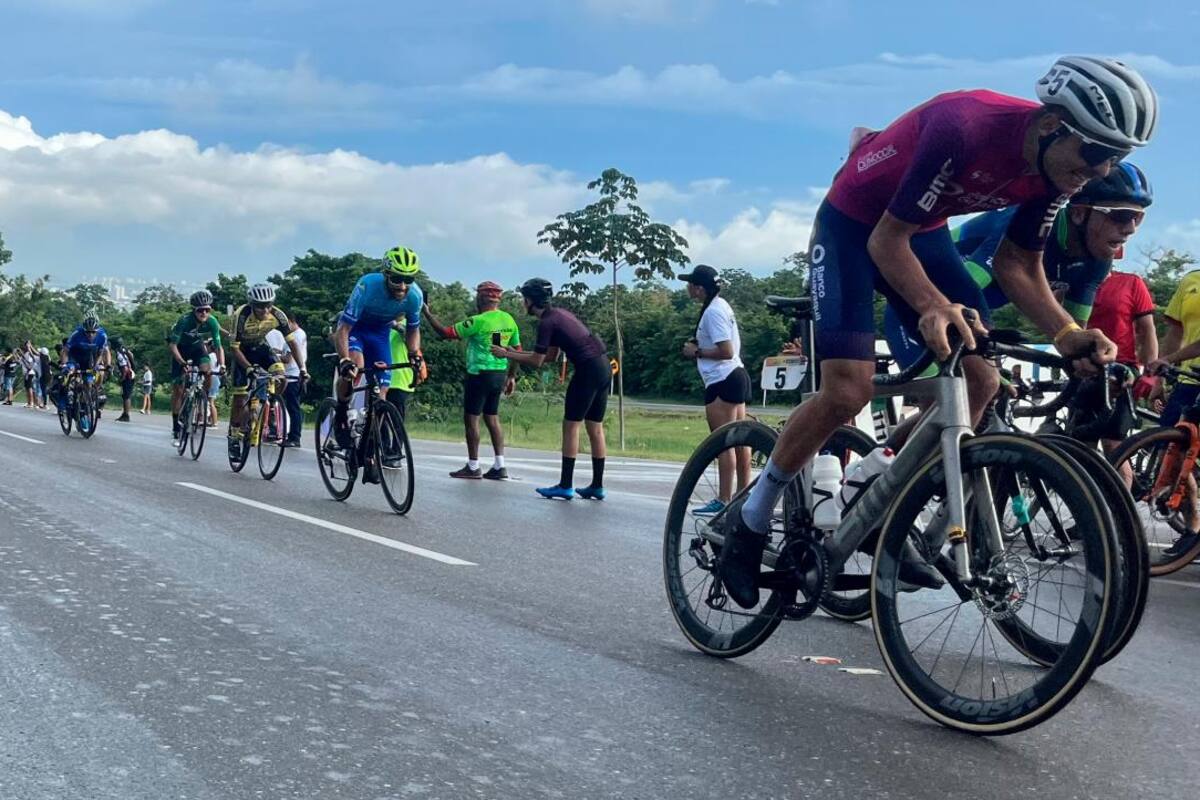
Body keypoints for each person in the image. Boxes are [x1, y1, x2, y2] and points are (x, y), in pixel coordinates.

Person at [717, 56, 1157, 610]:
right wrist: (930, 304)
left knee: (981, 381)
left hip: (920, 233)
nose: (1098, 170)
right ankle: (751, 519)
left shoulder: (1057, 172)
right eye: (1095, 153)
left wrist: (1067, 332)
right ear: (1051, 124)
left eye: (1114, 158)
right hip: (854, 227)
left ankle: (869, 492)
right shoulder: (965, 127)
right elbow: (883, 241)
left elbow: (1017, 263)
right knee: (847, 390)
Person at [883, 163, 1154, 369]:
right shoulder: (1026, 224)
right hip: (920, 305)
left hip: (968, 318)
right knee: (945, 397)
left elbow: (1073, 329)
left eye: (1138, 218)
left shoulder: (1096, 262)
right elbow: (962, 290)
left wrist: (1086, 357)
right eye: (1121, 216)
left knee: (984, 394)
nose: (1130, 229)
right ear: (1080, 213)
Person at [493, 278, 609, 500]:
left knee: (571, 426)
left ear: (529, 301)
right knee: (595, 427)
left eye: (522, 299)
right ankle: (597, 485)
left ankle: (565, 485)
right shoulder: (559, 315)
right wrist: (512, 352)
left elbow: (537, 361)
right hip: (603, 366)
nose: (521, 304)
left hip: (587, 370)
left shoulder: (547, 322)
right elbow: (551, 357)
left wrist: (506, 353)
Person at [330, 246, 425, 455]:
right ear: (386, 275)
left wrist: (414, 354)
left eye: (408, 280)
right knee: (356, 367)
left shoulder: (415, 296)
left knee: (383, 388)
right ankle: (341, 412)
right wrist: (345, 360)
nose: (402, 286)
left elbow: (413, 330)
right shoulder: (367, 285)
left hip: (380, 334)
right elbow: (343, 329)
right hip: (356, 329)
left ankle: (371, 437)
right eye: (397, 279)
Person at [425, 281, 521, 480]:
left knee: (471, 418)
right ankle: (499, 465)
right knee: (492, 418)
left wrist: (426, 312)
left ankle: (473, 465)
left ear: (481, 298)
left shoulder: (479, 321)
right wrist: (512, 376)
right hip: (499, 373)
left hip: (479, 374)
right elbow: (517, 351)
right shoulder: (507, 319)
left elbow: (446, 333)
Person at [679, 265, 751, 514]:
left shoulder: (713, 312)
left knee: (724, 442)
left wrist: (695, 352)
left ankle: (723, 499)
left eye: (690, 284)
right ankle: (743, 495)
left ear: (699, 288)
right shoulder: (720, 306)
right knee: (742, 442)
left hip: (723, 378)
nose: (687, 287)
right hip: (735, 375)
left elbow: (726, 351)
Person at [225, 283, 308, 458]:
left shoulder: (278, 315)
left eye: (268, 305)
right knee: (239, 397)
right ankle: (233, 435)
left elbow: (293, 343)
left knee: (281, 375)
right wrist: (248, 368)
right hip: (242, 352)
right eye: (260, 306)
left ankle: (267, 406)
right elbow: (234, 349)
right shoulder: (241, 315)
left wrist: (302, 369)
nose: (265, 310)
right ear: (252, 304)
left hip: (261, 347)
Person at [169, 290, 226, 447]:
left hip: (197, 347)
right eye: (200, 310)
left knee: (207, 371)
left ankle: (203, 397)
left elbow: (219, 347)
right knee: (178, 389)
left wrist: (222, 365)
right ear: (194, 310)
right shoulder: (184, 321)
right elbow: (172, 345)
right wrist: (181, 362)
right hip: (180, 349)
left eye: (207, 309)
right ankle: (176, 426)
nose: (204, 313)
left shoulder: (212, 322)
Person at [264, 312, 307, 448]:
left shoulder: (294, 336)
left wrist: (273, 355)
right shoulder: (301, 333)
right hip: (294, 374)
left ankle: (294, 437)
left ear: (290, 321)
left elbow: (287, 359)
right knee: (290, 406)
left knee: (292, 407)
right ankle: (285, 433)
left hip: (292, 376)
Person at [61, 314, 112, 414]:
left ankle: (84, 404)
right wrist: (64, 364)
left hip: (89, 358)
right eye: (88, 332)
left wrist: (108, 365)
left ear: (97, 330)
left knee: (89, 383)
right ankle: (64, 399)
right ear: (84, 330)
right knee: (68, 373)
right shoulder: (76, 334)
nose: (90, 335)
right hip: (75, 356)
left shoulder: (102, 335)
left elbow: (105, 352)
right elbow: (65, 351)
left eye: (93, 332)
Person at [110, 335, 137, 422]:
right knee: (126, 395)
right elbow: (132, 356)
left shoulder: (119, 354)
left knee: (126, 395)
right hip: (132, 374)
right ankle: (125, 413)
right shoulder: (125, 350)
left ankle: (126, 414)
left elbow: (124, 368)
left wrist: (122, 378)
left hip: (128, 376)